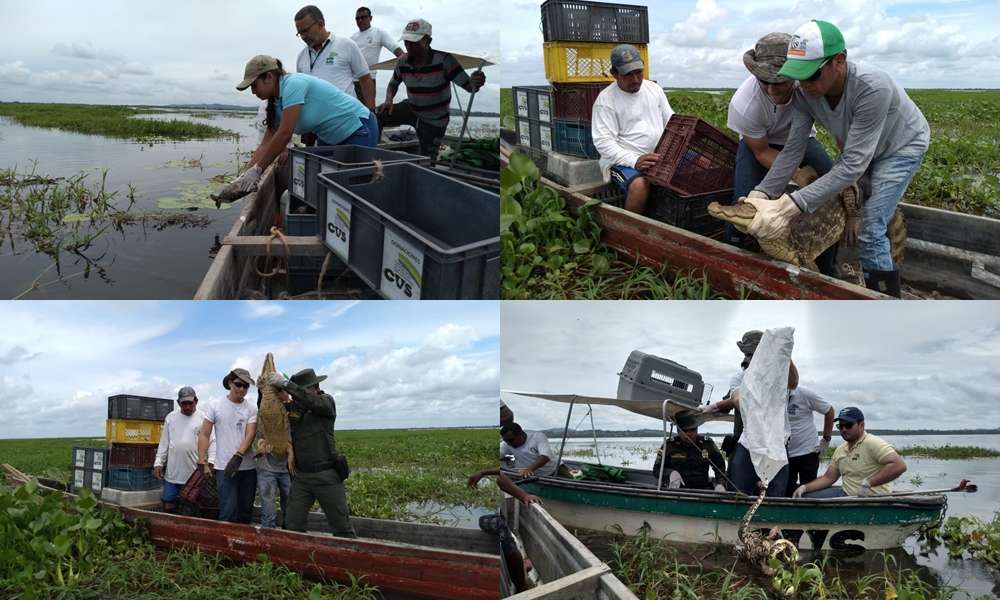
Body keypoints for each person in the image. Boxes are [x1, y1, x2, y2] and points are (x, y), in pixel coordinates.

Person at [743, 20, 930, 297]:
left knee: (871, 228)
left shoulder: (872, 87)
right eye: (799, 76)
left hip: (900, 147)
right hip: (860, 147)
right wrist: (762, 192)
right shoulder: (805, 95)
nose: (804, 84)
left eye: (812, 75)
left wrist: (790, 205)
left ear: (839, 61)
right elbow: (793, 150)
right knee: (854, 197)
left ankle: (887, 300)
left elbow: (853, 164)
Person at [727, 32, 837, 275]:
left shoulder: (809, 85)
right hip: (761, 143)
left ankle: (829, 268)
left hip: (803, 139)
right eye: (763, 81)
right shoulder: (744, 104)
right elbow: (762, 151)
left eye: (779, 82)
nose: (771, 90)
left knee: (832, 191)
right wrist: (797, 175)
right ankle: (734, 257)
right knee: (745, 200)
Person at [214, 55, 379, 200]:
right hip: (330, 137)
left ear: (269, 77)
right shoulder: (275, 103)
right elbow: (265, 145)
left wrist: (258, 170)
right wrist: (243, 176)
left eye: (254, 85)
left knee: (352, 189)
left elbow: (285, 134)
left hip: (358, 126)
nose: (252, 92)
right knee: (326, 189)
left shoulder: (293, 84)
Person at [702, 330, 796, 496]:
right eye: (747, 354)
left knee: (775, 496)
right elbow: (738, 400)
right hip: (748, 444)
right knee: (738, 494)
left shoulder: (780, 375)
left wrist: (782, 352)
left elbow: (793, 382)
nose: (749, 357)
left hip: (777, 445)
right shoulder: (740, 377)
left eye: (752, 353)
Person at [378, 18, 486, 160]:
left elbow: (470, 87)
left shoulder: (444, 61)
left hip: (434, 120)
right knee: (377, 115)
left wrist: (477, 82)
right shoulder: (402, 62)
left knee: (427, 161)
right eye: (406, 41)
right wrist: (388, 99)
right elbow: (393, 84)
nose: (409, 46)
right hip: (411, 108)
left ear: (428, 41)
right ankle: (372, 155)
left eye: (414, 42)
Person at [267, 368, 355, 537]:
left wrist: (286, 384)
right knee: (292, 524)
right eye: (295, 392)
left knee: (341, 526)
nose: (296, 395)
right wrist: (264, 390)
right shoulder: (294, 408)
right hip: (302, 478)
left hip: (327, 476)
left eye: (303, 390)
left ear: (315, 387)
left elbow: (311, 402)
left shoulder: (326, 402)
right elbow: (271, 410)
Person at [591, 44, 674, 215]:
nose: (635, 79)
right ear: (614, 74)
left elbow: (671, 120)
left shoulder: (654, 89)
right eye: (628, 75)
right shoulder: (606, 100)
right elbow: (603, 143)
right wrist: (635, 160)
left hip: (656, 156)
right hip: (623, 162)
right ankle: (630, 231)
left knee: (700, 165)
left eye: (638, 72)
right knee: (639, 186)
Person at [793, 407, 907, 498]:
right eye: (840, 426)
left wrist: (869, 483)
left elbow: (899, 465)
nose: (844, 429)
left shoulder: (872, 443)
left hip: (873, 499)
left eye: (848, 425)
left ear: (861, 425)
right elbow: (828, 478)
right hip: (846, 495)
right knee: (805, 496)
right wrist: (804, 487)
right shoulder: (840, 450)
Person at [197, 369, 258, 524]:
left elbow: (250, 434)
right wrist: (202, 461)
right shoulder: (215, 406)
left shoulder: (251, 408)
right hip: (224, 467)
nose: (242, 389)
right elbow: (204, 433)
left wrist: (238, 456)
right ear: (230, 383)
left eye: (246, 386)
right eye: (238, 385)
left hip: (247, 468)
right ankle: (227, 546)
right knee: (228, 511)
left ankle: (243, 545)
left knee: (245, 512)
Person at [294, 5, 375, 110]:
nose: (303, 36)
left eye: (306, 30)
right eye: (300, 33)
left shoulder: (346, 45)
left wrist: (372, 112)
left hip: (347, 120)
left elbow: (365, 80)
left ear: (321, 23)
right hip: (316, 124)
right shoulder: (301, 57)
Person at [153, 386, 215, 513]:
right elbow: (164, 443)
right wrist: (158, 462)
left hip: (194, 475)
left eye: (190, 403)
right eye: (184, 404)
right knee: (168, 504)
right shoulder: (170, 418)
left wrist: (211, 461)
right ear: (178, 403)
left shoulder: (204, 418)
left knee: (191, 507)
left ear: (196, 401)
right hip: (173, 474)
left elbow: (213, 440)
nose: (187, 407)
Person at [652, 412, 727, 491]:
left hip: (702, 490)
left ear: (697, 429)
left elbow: (720, 468)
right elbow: (656, 469)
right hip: (676, 490)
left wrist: (720, 484)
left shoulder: (707, 444)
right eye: (684, 430)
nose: (688, 434)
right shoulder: (669, 445)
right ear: (678, 431)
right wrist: (670, 473)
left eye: (692, 430)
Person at [785, 384, 834, 497]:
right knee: (785, 490)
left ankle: (808, 514)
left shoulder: (804, 393)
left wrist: (826, 439)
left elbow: (829, 410)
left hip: (808, 451)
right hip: (785, 453)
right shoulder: (774, 394)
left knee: (808, 491)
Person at [254, 387, 293, 529]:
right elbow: (259, 438)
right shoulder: (262, 412)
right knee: (268, 502)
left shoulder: (290, 410)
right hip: (266, 467)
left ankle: (289, 530)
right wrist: (261, 447)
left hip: (286, 467)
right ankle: (268, 532)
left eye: (281, 392)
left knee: (289, 501)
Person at [351, 6, 404, 82]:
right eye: (357, 18)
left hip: (369, 78)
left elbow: (395, 48)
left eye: (363, 17)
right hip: (352, 80)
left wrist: (407, 63)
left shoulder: (379, 33)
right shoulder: (352, 38)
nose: (360, 20)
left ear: (370, 18)